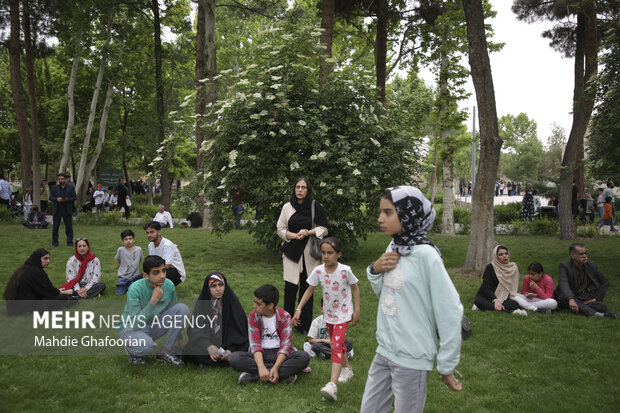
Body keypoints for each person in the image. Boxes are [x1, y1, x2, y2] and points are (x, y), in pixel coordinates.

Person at [360, 186, 463, 413]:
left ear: (408, 215)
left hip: (412, 358)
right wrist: (374, 270)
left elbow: (450, 310)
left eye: (388, 212)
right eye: (381, 212)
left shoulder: (426, 255)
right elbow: (388, 295)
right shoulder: (394, 247)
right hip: (385, 350)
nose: (380, 219)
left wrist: (447, 365)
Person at [293, 237, 360, 401]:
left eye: (330, 253)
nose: (325, 256)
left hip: (344, 314)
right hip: (328, 316)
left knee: (336, 344)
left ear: (339, 254)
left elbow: (355, 288)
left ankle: (332, 385)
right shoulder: (318, 271)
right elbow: (309, 290)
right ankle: (347, 368)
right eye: (323, 252)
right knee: (338, 344)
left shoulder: (345, 270)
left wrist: (356, 310)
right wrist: (299, 308)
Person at [228, 284, 310, 385]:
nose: (254, 306)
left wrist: (275, 367)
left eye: (258, 304)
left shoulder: (285, 316)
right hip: (259, 355)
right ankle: (282, 375)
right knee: (234, 358)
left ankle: (255, 376)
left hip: (279, 354)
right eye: (255, 303)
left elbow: (285, 346)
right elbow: (255, 345)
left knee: (304, 357)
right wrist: (261, 366)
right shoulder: (253, 316)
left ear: (270, 305)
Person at [277, 177, 328, 334]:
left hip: (310, 254)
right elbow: (280, 228)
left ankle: (303, 326)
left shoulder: (314, 206)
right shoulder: (287, 207)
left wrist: (308, 232)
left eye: (303, 187)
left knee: (307, 288)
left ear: (308, 190)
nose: (300, 190)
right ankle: (287, 324)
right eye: (297, 187)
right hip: (291, 252)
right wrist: (294, 235)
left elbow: (324, 228)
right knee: (290, 289)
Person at [116, 255, 189, 365]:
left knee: (182, 308)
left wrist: (180, 341)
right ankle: (132, 350)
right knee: (146, 346)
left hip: (152, 324)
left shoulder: (168, 285)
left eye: (163, 271)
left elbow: (175, 316)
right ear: (146, 275)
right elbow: (136, 324)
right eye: (156, 272)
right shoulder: (135, 289)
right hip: (130, 328)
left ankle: (164, 352)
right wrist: (153, 301)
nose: (162, 276)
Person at [184, 272, 249, 367]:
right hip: (208, 343)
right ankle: (222, 360)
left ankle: (214, 361)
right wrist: (208, 346)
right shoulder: (202, 303)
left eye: (221, 285)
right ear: (208, 288)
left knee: (245, 346)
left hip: (229, 344)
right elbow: (195, 328)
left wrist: (230, 350)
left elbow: (239, 330)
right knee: (191, 349)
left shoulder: (232, 301)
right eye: (213, 286)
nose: (218, 289)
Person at [4, 248, 73, 315]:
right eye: (45, 258)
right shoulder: (36, 271)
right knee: (62, 297)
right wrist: (64, 292)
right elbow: (49, 292)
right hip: (25, 309)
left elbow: (44, 290)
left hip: (14, 308)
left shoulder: (25, 268)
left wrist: (58, 291)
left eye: (49, 258)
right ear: (38, 259)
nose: (48, 261)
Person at [554, 243, 614, 318]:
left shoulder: (591, 265)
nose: (584, 256)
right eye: (581, 254)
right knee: (563, 298)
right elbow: (563, 283)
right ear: (573, 255)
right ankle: (597, 315)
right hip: (567, 295)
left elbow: (605, 282)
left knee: (602, 307)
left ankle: (578, 306)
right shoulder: (564, 266)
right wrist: (570, 298)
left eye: (585, 253)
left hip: (583, 296)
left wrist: (596, 298)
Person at [472, 245, 526, 316]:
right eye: (501, 254)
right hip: (488, 295)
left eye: (506, 253)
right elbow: (487, 288)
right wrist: (495, 300)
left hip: (504, 296)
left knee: (514, 304)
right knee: (479, 301)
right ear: (496, 257)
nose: (504, 256)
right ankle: (512, 311)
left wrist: (500, 300)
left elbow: (513, 287)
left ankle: (483, 307)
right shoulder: (490, 267)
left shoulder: (513, 268)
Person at [145, 221, 186, 285]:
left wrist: (152, 274)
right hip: (160, 269)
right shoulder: (150, 245)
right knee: (140, 278)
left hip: (174, 272)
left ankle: (157, 292)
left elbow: (166, 266)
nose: (149, 235)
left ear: (159, 232)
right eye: (147, 233)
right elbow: (151, 263)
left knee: (153, 277)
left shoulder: (167, 245)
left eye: (151, 232)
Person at [49, 173, 77, 247]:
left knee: (69, 227)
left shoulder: (71, 187)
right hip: (57, 209)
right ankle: (55, 243)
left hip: (67, 209)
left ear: (65, 179)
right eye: (59, 179)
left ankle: (69, 242)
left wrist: (67, 199)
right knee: (55, 227)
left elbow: (74, 197)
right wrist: (57, 199)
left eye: (62, 179)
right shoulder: (54, 188)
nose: (60, 180)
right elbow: (51, 197)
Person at [115, 229, 144, 295]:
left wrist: (136, 271)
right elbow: (118, 262)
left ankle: (131, 286)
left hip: (134, 276)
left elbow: (139, 261)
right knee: (119, 293)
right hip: (123, 276)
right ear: (122, 241)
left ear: (134, 240)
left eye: (130, 238)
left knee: (133, 292)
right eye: (126, 239)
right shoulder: (120, 250)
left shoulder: (139, 249)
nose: (128, 241)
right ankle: (124, 285)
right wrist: (121, 273)